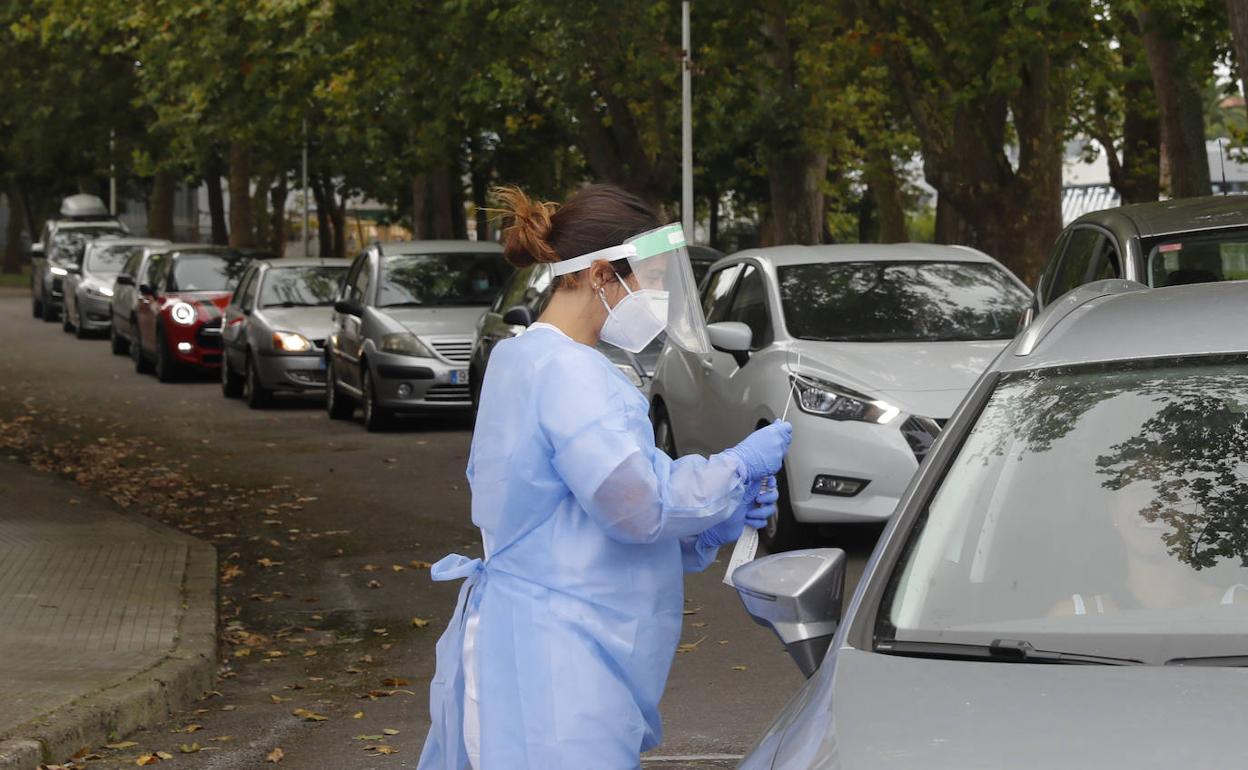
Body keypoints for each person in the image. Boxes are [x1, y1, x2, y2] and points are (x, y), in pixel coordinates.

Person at [417, 184, 792, 770]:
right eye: (650, 277)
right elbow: (639, 504)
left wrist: (710, 527)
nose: (660, 294)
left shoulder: (524, 359)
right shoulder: (570, 374)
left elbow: (580, 512)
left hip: (541, 644)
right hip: (555, 662)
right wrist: (736, 467)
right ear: (598, 275)